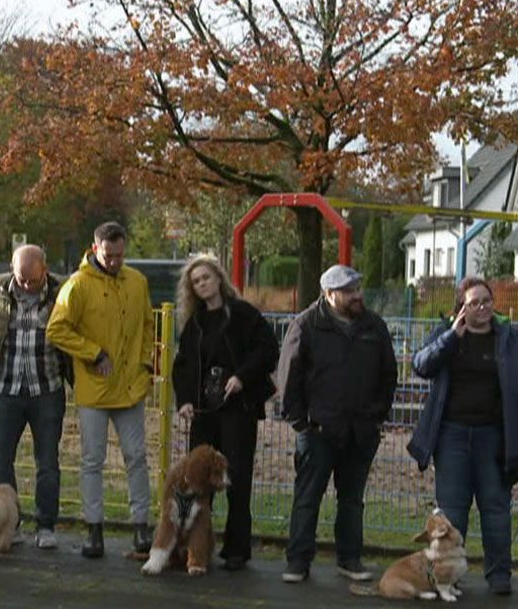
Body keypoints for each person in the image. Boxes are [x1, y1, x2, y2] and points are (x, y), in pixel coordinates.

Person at [408, 276, 518, 596]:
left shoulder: (514, 342)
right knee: (452, 513)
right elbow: (421, 365)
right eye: (474, 303)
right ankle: (448, 575)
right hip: (452, 437)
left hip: (495, 438)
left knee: (496, 508)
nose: (482, 308)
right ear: (461, 307)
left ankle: (499, 575)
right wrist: (451, 339)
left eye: (487, 301)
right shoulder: (446, 334)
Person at [275, 264, 398, 584]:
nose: (358, 296)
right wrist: (300, 422)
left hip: (360, 430)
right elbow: (289, 375)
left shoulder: (374, 327)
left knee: (352, 499)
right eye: (349, 291)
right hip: (318, 430)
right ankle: (298, 561)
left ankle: (350, 558)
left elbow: (389, 374)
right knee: (307, 497)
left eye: (358, 289)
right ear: (329, 295)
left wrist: (376, 416)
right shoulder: (306, 325)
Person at [46, 221, 155, 559]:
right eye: (108, 255)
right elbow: (57, 329)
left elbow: (148, 325)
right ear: (95, 249)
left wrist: (146, 364)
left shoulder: (137, 282)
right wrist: (92, 352)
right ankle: (94, 528)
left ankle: (141, 527)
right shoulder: (77, 286)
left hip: (130, 387)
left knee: (136, 458)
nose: (114, 261)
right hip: (94, 389)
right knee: (93, 460)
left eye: (120, 255)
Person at [171, 254, 279, 570]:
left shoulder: (244, 315)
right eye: (196, 281)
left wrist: (242, 376)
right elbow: (184, 366)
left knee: (236, 478)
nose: (202, 284)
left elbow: (267, 349)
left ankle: (236, 548)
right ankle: (186, 546)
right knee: (194, 480)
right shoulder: (194, 324)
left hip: (237, 410)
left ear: (219, 278)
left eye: (206, 277)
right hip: (205, 410)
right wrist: (185, 400)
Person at [0, 243, 72, 549]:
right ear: (12, 269)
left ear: (45, 268)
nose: (26, 285)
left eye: (33, 279)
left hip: (48, 389)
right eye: (21, 279)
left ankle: (46, 526)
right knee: (1, 461)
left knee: (48, 462)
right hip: (6, 389)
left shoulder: (62, 291)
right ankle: (7, 526)